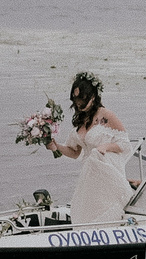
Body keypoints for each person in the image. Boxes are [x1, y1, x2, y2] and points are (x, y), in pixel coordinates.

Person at [51, 70, 136, 221]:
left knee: (103, 209)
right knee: (86, 210)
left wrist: (105, 147)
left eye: (82, 100)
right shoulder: (80, 119)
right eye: (76, 100)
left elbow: (124, 144)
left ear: (93, 97)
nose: (78, 104)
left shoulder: (106, 115)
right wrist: (56, 145)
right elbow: (75, 151)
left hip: (106, 169)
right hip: (89, 173)